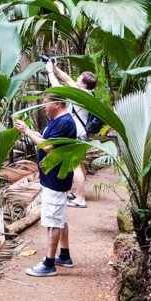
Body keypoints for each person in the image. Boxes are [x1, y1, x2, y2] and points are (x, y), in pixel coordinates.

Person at [14, 94, 77, 277]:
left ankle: (49, 264)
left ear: (56, 104)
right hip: (51, 177)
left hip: (57, 178)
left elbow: (48, 146)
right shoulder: (55, 120)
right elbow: (43, 138)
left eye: (45, 103)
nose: (43, 107)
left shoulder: (65, 122)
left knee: (53, 221)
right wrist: (28, 130)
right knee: (60, 217)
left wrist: (27, 131)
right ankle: (64, 255)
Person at [46, 61, 98, 208]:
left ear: (83, 84)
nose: (75, 80)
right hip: (82, 133)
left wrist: (50, 72)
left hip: (77, 133)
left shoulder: (80, 94)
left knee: (74, 165)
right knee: (79, 164)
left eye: (79, 79)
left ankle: (81, 199)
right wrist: (55, 68)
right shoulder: (88, 93)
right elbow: (68, 79)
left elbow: (58, 89)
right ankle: (78, 192)